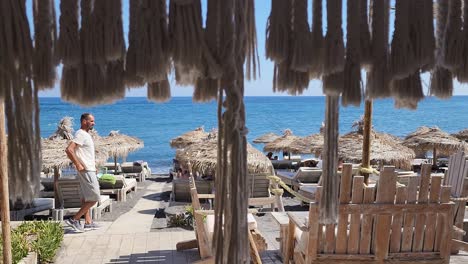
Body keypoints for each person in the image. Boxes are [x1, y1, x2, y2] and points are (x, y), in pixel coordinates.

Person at [64, 113, 100, 232]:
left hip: (90, 168)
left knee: (87, 197)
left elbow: (85, 154)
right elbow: (69, 150)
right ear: (84, 121)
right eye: (91, 121)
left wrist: (94, 166)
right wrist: (78, 164)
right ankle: (74, 219)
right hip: (86, 170)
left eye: (93, 121)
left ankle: (88, 222)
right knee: (95, 197)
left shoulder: (85, 135)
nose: (93, 123)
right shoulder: (80, 134)